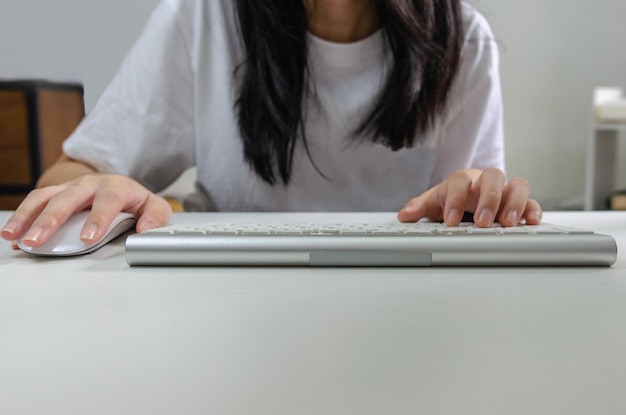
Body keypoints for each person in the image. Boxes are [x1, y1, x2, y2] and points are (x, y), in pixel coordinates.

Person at [1, 0, 541, 249]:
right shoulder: (200, 17)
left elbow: (471, 209)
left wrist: (482, 201)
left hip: (402, 312)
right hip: (223, 309)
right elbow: (65, 177)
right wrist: (99, 182)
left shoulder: (462, 39)